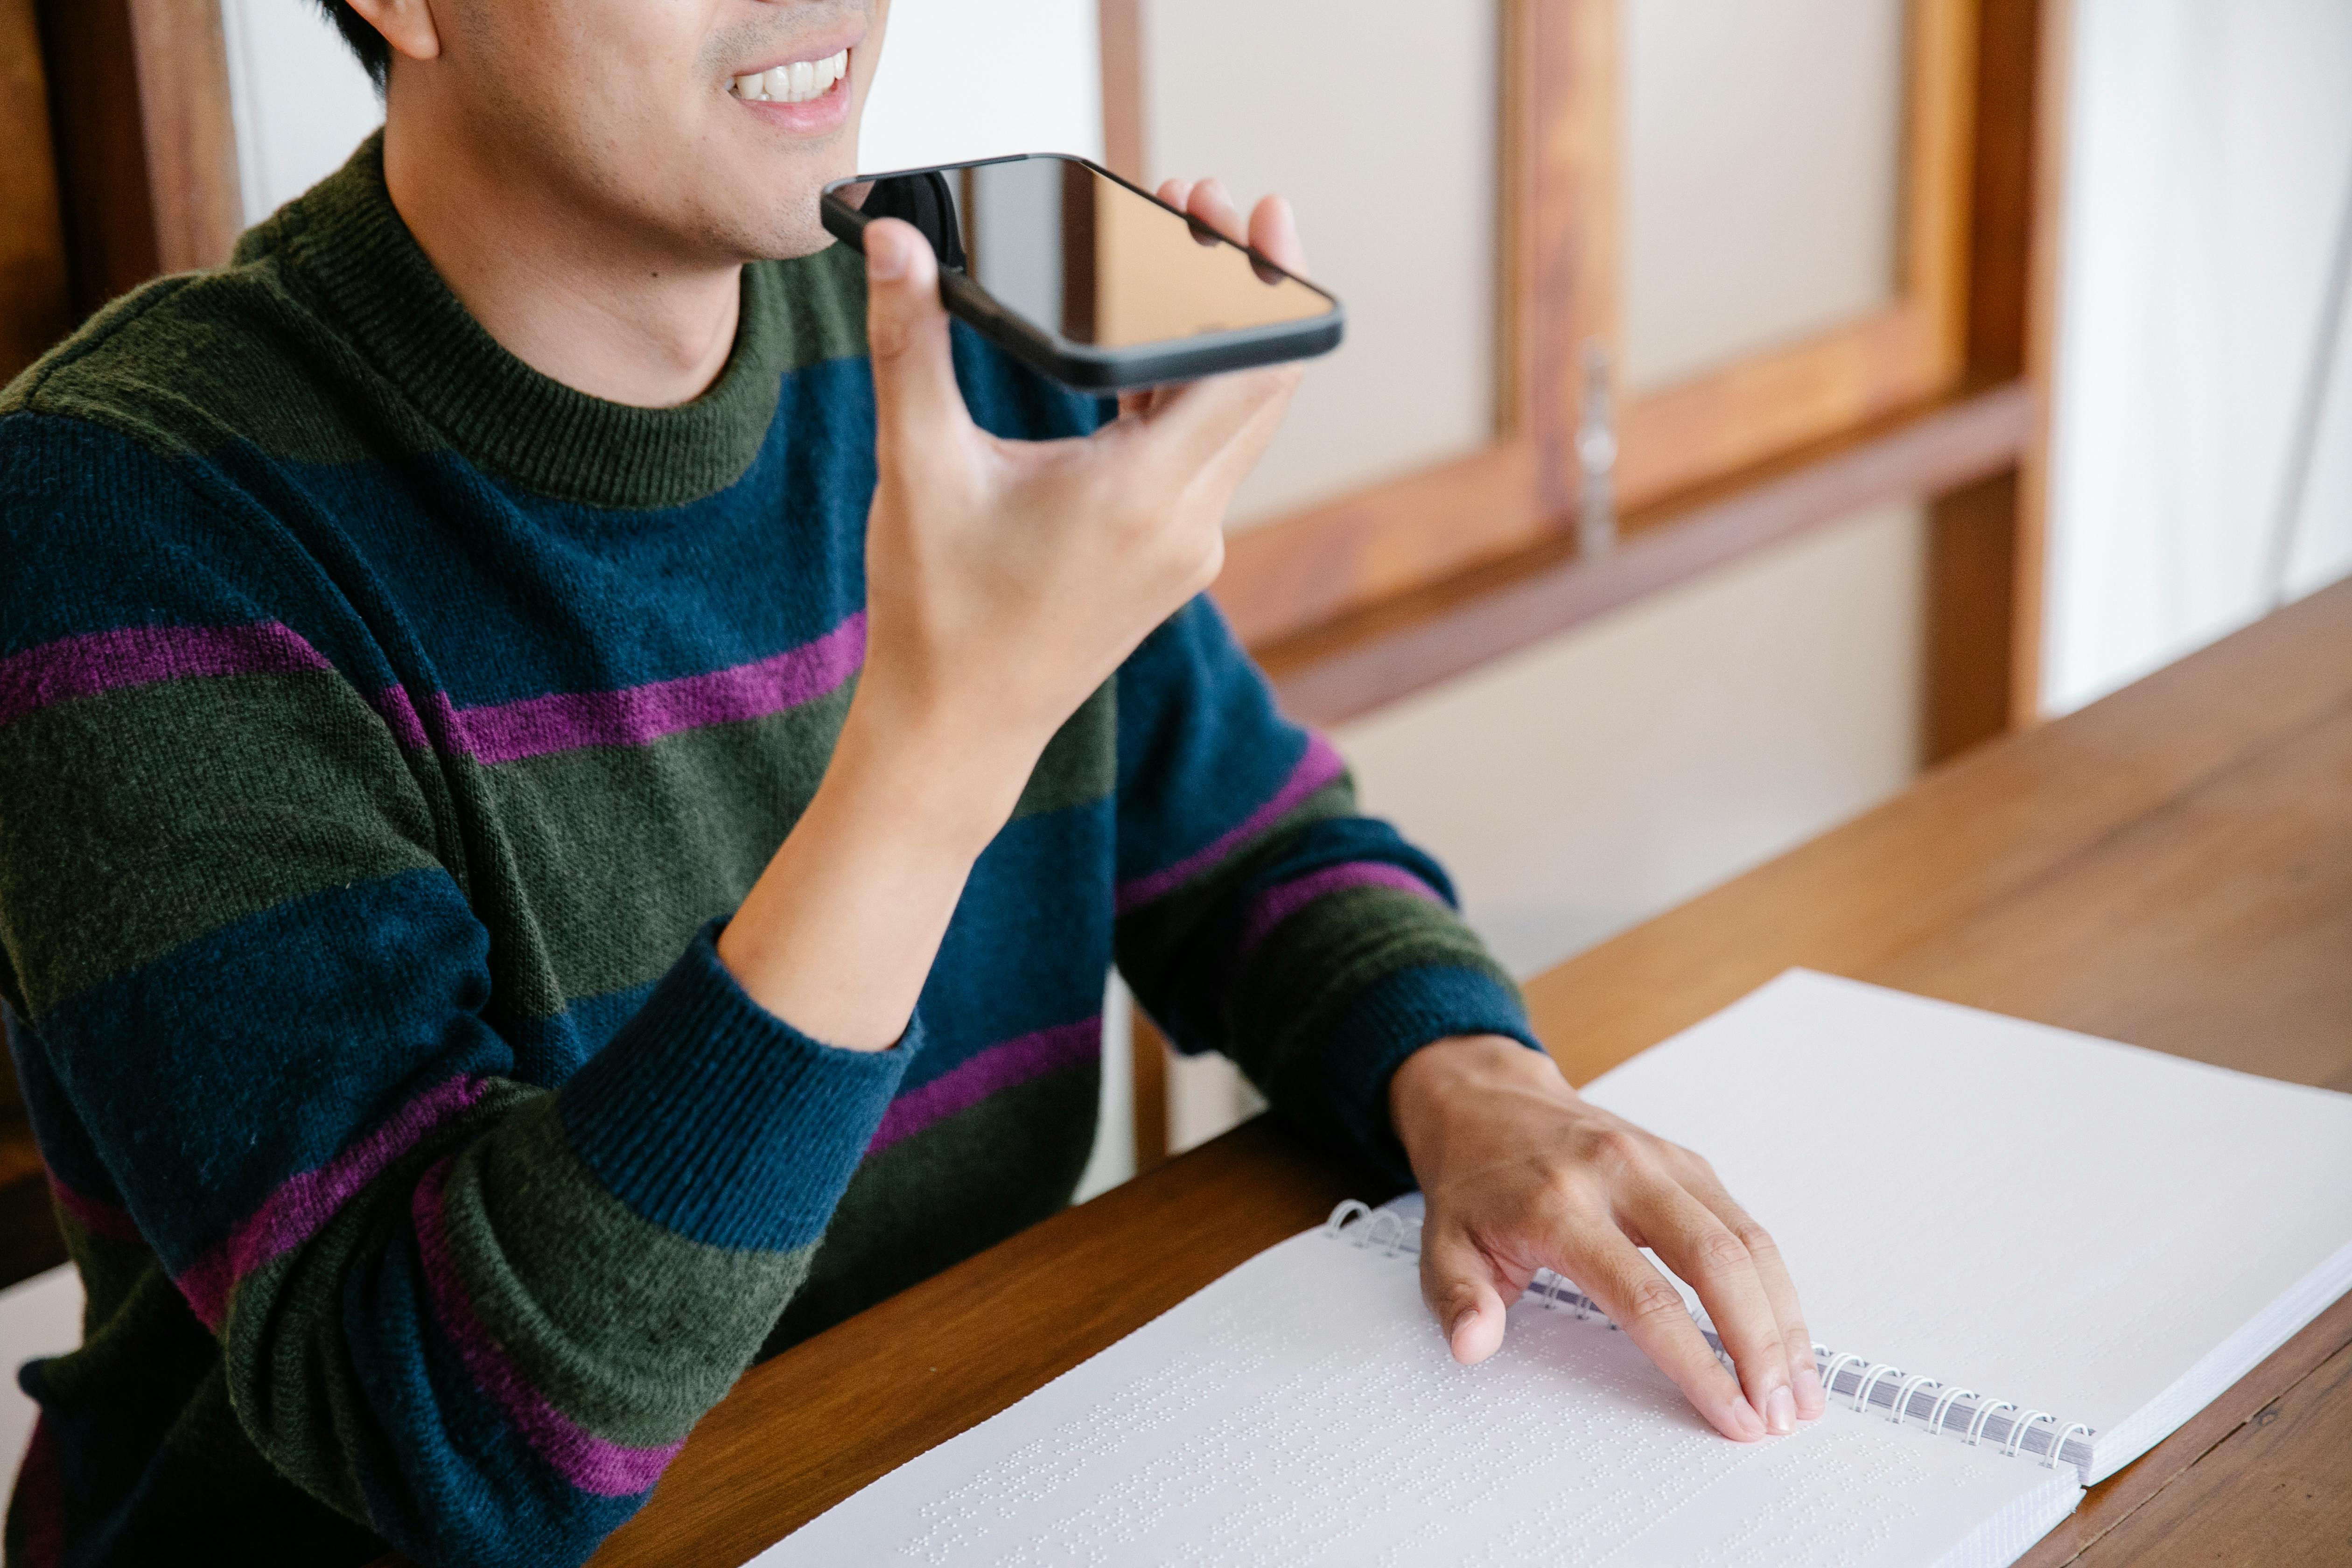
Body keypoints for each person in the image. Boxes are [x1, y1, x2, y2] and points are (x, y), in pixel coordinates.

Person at [0, 1, 1825, 1563]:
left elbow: (1247, 847)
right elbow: (450, 1435)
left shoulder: (933, 338)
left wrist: (1473, 1084)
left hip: (957, 1478)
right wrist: (943, 743)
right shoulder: (122, 519)